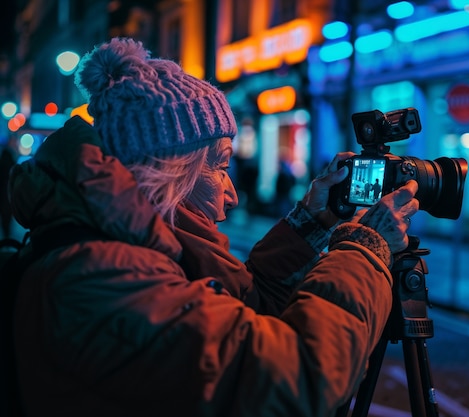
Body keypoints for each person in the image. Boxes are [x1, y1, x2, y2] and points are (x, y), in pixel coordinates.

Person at [7, 38, 420, 417]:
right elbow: (299, 377)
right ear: (168, 171)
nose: (232, 194)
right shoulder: (104, 275)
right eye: (220, 165)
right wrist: (365, 250)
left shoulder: (119, 252)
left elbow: (248, 309)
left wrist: (312, 222)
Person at [0, 139, 16, 239]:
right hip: (8, 198)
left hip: (2, 196)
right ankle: (7, 236)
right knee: (7, 220)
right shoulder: (12, 169)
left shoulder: (1, 167)